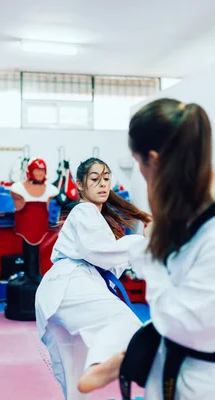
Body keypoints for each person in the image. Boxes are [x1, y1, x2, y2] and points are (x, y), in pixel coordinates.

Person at [77, 99, 215, 399]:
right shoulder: (197, 213)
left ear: (155, 160)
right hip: (191, 373)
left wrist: (148, 253)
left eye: (140, 165)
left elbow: (181, 323)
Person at [35, 157, 152, 400]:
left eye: (106, 178)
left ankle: (99, 371)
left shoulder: (99, 219)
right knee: (124, 322)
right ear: (80, 185)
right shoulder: (83, 210)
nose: (102, 184)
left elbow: (112, 262)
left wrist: (143, 252)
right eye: (95, 178)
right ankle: (109, 366)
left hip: (59, 293)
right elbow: (97, 252)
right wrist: (144, 244)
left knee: (75, 378)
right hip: (71, 284)